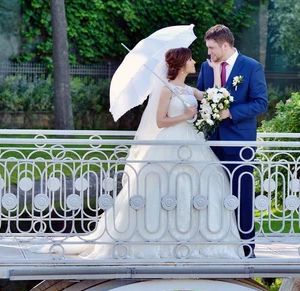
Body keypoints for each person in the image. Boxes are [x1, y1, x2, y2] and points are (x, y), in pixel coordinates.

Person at [35, 47, 242, 260]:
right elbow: (160, 121)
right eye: (189, 59)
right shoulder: (166, 90)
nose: (194, 61)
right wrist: (186, 116)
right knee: (162, 188)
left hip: (193, 143)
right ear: (181, 65)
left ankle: (194, 239)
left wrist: (217, 71)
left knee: (197, 186)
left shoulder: (190, 90)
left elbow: (212, 97)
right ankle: (158, 240)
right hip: (171, 142)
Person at [197, 24, 268, 257]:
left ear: (225, 45)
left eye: (212, 48)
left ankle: (247, 248)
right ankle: (218, 246)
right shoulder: (206, 69)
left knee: (242, 195)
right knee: (214, 195)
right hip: (211, 143)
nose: (209, 53)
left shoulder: (251, 67)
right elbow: (200, 98)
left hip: (239, 144)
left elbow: (261, 103)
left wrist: (230, 113)